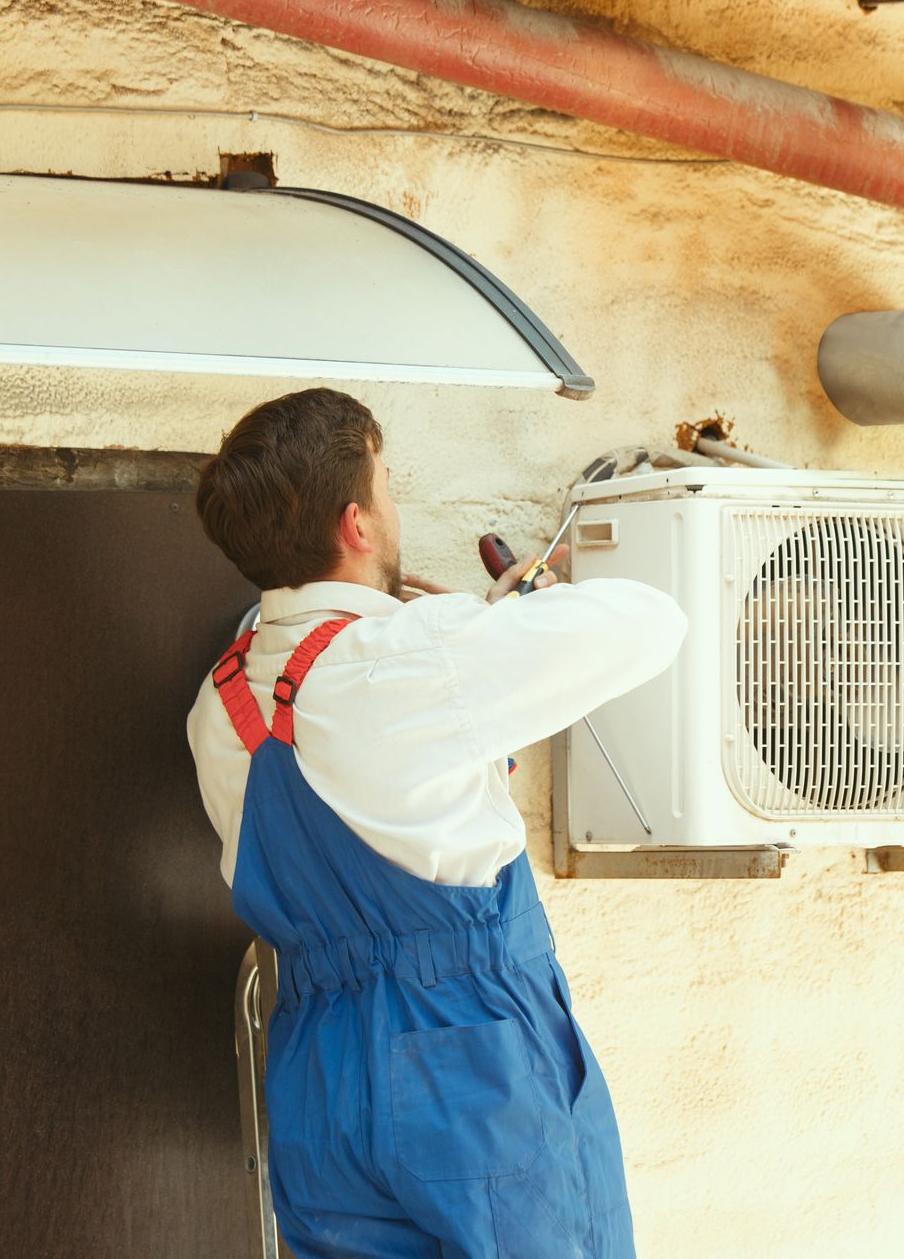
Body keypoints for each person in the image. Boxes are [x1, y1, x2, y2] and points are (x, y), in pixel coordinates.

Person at [186, 388, 686, 1258]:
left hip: (314, 1069)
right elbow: (652, 624)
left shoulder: (217, 704)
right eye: (387, 485)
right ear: (358, 525)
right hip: (467, 1051)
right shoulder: (406, 660)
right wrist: (514, 611)